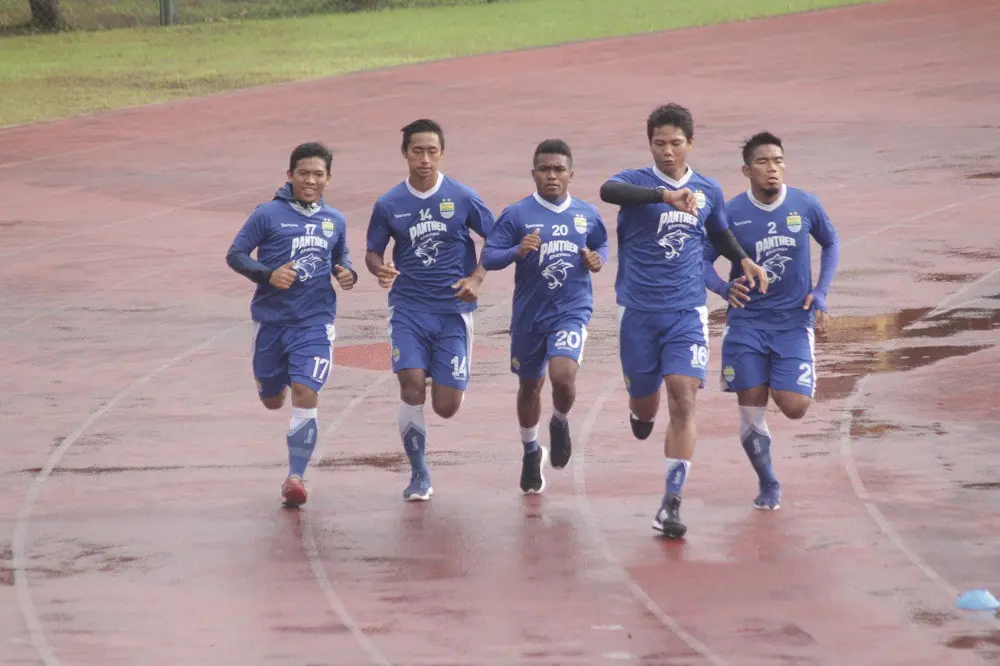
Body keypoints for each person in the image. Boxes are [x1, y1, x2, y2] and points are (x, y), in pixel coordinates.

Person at [598, 103, 770, 539]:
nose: (668, 151)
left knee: (683, 397)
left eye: (676, 143)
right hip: (637, 311)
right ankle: (640, 410)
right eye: (659, 143)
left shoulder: (708, 189)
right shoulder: (636, 182)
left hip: (686, 312)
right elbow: (607, 191)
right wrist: (663, 196)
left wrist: (744, 260)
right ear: (649, 144)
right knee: (645, 404)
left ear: (690, 143)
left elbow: (720, 232)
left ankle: (670, 504)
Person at [703, 131, 840, 510]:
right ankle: (768, 482)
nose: (772, 169)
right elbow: (699, 258)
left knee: (794, 406)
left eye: (778, 161)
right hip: (746, 324)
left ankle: (781, 378)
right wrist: (721, 287)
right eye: (763, 162)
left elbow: (831, 242)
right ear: (747, 170)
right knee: (751, 406)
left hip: (794, 322)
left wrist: (822, 291)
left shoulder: (805, 205)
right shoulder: (729, 214)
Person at [364, 118, 496, 502]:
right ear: (404, 153)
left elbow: (498, 237)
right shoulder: (389, 203)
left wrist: (477, 277)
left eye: (432, 151)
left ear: (443, 153)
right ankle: (419, 474)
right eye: (417, 151)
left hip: (453, 310)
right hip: (407, 307)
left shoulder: (463, 197)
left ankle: (453, 378)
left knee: (446, 407)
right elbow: (373, 251)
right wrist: (380, 269)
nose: (425, 159)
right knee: (410, 383)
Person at [225, 141, 358, 507]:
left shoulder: (335, 219)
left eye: (318, 174)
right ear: (290, 175)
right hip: (271, 322)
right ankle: (272, 382)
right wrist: (268, 275)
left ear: (329, 179)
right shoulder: (266, 215)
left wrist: (347, 273)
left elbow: (340, 255)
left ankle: (295, 476)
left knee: (305, 391)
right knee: (272, 400)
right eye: (303, 173)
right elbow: (235, 255)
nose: (310, 180)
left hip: (315, 322)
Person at [481, 139, 609, 494]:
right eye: (544, 169)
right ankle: (530, 450)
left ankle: (560, 421)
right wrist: (515, 251)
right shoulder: (516, 215)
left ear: (571, 174)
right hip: (529, 315)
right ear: (533, 173)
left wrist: (598, 260)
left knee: (563, 374)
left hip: (571, 309)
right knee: (529, 385)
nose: (552, 175)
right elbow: (489, 257)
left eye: (559, 169)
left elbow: (601, 244)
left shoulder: (586, 213)